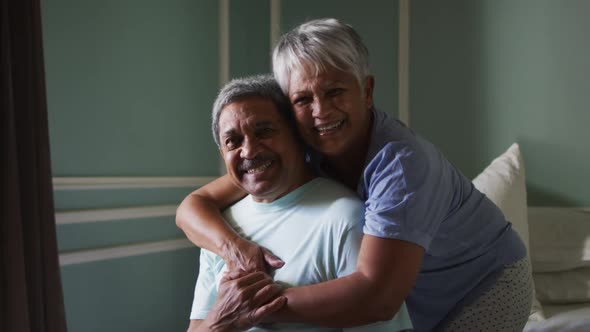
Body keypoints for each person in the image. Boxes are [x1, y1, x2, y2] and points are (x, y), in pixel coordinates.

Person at [177, 19, 533, 331]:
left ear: (366, 91)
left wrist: (250, 308)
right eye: (302, 99)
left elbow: (377, 299)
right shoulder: (298, 146)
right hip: (418, 287)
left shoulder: (402, 164)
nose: (321, 111)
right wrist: (235, 248)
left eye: (334, 91)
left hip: (485, 284)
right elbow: (195, 205)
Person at [186, 75, 412, 332]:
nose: (249, 151)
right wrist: (221, 321)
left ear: (297, 135)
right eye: (233, 141)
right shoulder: (220, 227)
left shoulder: (345, 218)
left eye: (264, 132)